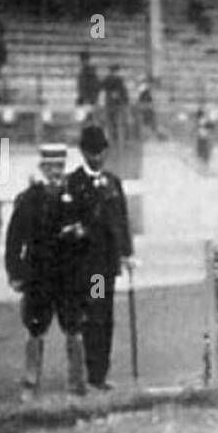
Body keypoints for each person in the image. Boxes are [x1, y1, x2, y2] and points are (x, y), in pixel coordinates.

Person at [5, 144, 86, 399]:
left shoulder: (75, 199)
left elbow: (88, 239)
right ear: (42, 168)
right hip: (38, 275)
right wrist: (15, 272)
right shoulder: (29, 199)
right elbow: (14, 240)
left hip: (68, 276)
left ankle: (76, 383)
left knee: (74, 326)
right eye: (51, 168)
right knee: (35, 328)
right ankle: (30, 382)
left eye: (60, 167)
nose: (56, 173)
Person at [65, 125, 134, 391]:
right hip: (89, 267)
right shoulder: (75, 183)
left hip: (108, 265)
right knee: (95, 314)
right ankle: (92, 374)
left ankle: (100, 373)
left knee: (105, 316)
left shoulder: (113, 182)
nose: (98, 157)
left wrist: (127, 253)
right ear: (83, 153)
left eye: (101, 152)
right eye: (92, 153)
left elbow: (122, 221)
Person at [101, 65, 130, 147]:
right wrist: (124, 101)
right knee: (116, 123)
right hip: (115, 105)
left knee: (112, 123)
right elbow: (122, 93)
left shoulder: (108, 79)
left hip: (110, 104)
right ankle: (116, 140)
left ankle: (113, 139)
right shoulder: (118, 80)